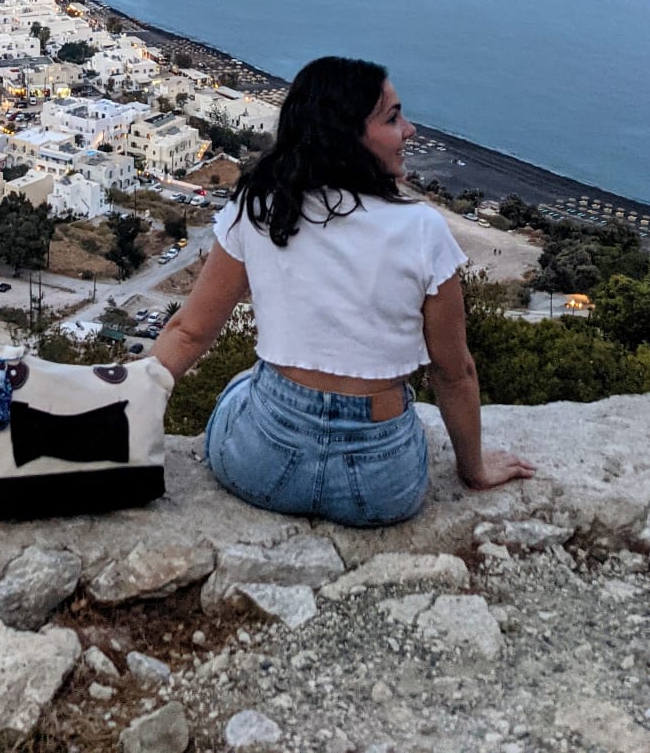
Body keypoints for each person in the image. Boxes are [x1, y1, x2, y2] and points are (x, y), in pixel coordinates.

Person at [152, 56, 534, 527]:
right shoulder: (422, 229)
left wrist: (120, 416)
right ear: (346, 136)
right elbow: (454, 372)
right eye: (393, 118)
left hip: (260, 464)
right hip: (380, 486)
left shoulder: (262, 205)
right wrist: (474, 470)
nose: (411, 130)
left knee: (241, 385)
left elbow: (189, 332)